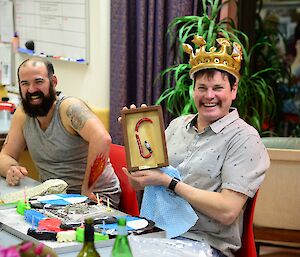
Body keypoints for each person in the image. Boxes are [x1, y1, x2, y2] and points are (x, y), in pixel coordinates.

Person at [121, 36, 270, 257]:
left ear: (233, 89)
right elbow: (144, 183)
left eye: (218, 87)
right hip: (157, 235)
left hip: (204, 245)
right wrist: (136, 138)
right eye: (202, 87)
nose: (209, 96)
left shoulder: (244, 138)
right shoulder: (177, 126)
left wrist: (169, 183)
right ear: (193, 90)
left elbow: (228, 210)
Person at [0, 57, 121, 208]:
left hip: (96, 197)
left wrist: (87, 190)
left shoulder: (69, 108)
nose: (31, 90)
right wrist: (10, 168)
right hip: (54, 198)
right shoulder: (22, 114)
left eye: (38, 82)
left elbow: (102, 139)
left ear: (53, 82)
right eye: (25, 84)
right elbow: (6, 155)